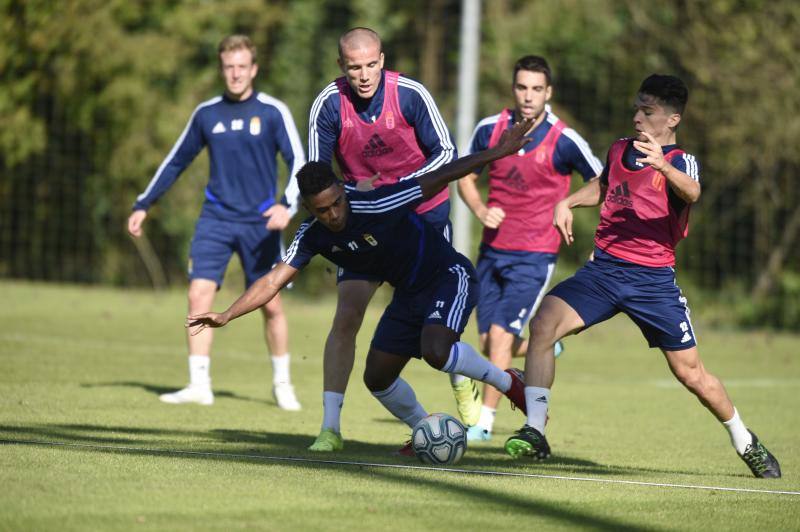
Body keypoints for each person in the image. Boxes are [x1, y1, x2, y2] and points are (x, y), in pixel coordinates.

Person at [186, 118, 537, 453]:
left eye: (337, 203)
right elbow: (273, 279)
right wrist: (227, 314)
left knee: (435, 351)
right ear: (309, 209)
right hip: (407, 295)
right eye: (322, 211)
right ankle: (425, 432)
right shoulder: (312, 235)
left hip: (448, 276)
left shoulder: (379, 202)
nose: (334, 214)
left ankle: (508, 383)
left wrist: (498, 152)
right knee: (378, 378)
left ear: (342, 190)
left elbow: (441, 175)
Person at [504, 74, 781, 479]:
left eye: (647, 111)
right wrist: (568, 202)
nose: (637, 116)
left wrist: (663, 165)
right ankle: (535, 430)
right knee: (543, 324)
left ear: (672, 119)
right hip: (603, 272)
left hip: (652, 281)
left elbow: (693, 193)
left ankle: (745, 441)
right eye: (637, 107)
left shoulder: (681, 162)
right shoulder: (618, 150)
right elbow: (602, 186)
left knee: (691, 375)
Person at [306, 27, 477, 451]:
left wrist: (396, 187)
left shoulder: (411, 94)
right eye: (353, 67)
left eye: (370, 65)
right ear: (341, 67)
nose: (363, 75)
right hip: (363, 223)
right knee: (347, 315)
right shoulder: (328, 105)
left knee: (434, 324)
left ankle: (461, 380)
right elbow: (315, 172)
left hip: (423, 217)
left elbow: (446, 154)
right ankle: (330, 428)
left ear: (382, 60)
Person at [127, 35, 305, 410]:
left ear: (254, 69)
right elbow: (176, 161)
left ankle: (283, 382)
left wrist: (287, 206)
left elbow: (299, 164)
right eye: (229, 67)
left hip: (261, 224)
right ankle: (198, 384)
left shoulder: (273, 112)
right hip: (216, 220)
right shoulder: (207, 114)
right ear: (222, 68)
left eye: (242, 66)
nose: (235, 73)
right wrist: (145, 203)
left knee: (269, 304)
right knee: (198, 295)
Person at [457, 55, 602, 441]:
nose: (528, 96)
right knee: (489, 342)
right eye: (522, 87)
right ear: (513, 89)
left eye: (536, 89)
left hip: (535, 254)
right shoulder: (491, 129)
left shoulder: (564, 139)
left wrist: (573, 210)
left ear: (548, 92)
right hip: (491, 252)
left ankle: (484, 423)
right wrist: (480, 209)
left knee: (500, 339)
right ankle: (543, 346)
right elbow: (465, 177)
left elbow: (604, 184)